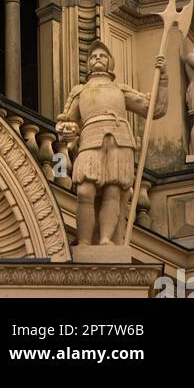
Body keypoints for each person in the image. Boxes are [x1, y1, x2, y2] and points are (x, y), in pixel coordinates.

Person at [56, 39, 167, 247]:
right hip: (90, 138)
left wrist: (163, 80)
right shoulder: (79, 91)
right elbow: (66, 122)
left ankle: (106, 238)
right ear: (88, 63)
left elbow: (154, 109)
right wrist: (67, 131)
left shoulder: (120, 89)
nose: (97, 59)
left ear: (110, 63)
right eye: (93, 56)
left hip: (120, 140)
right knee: (84, 191)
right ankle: (85, 241)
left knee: (112, 192)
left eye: (102, 56)